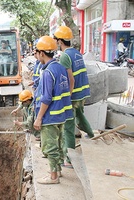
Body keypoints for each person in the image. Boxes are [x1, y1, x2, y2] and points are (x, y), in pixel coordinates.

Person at [33, 36, 73, 184]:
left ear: (42, 53)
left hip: (50, 117)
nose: (37, 55)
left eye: (37, 52)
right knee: (59, 143)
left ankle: (53, 177)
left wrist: (38, 118)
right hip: (61, 114)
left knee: (50, 147)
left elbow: (46, 98)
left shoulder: (48, 73)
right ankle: (58, 171)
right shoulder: (61, 68)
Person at [54, 26, 94, 167]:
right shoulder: (77, 53)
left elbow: (71, 79)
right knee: (80, 115)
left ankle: (69, 159)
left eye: (56, 41)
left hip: (74, 94)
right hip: (83, 93)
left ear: (60, 41)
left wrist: (66, 98)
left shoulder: (65, 56)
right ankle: (90, 133)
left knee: (68, 126)